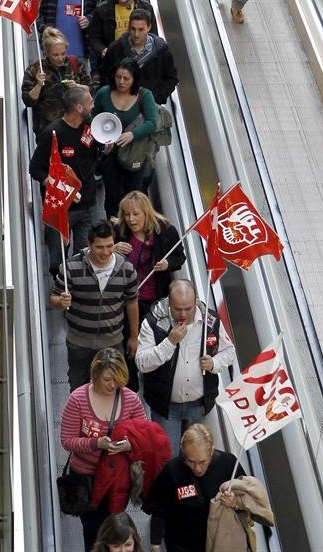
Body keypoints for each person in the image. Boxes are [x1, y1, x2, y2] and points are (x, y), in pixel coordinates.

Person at [135, 280, 235, 456]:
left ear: (195, 301)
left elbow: (229, 352)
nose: (183, 314)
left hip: (199, 405)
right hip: (166, 407)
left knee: (194, 456)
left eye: (188, 309)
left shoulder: (210, 321)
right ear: (168, 303)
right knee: (168, 457)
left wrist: (214, 364)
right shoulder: (153, 322)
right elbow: (142, 362)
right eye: (177, 309)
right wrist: (169, 342)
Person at [60, 349, 146, 552]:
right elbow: (67, 440)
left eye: (117, 379)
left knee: (115, 528)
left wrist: (128, 445)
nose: (112, 385)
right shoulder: (78, 399)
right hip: (86, 477)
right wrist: (96, 443)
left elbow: (144, 436)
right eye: (107, 379)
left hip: (118, 478)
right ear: (95, 374)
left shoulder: (131, 399)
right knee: (91, 530)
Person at [51, 224, 139, 389]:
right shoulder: (71, 267)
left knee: (114, 386)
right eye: (99, 247)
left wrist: (134, 337)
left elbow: (132, 302)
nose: (105, 252)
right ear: (89, 245)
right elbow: (54, 298)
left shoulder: (127, 269)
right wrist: (60, 302)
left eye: (109, 246)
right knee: (78, 386)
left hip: (113, 342)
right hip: (79, 343)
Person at [114, 190, 185, 390]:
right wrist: (113, 248)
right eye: (127, 214)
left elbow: (180, 257)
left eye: (136, 214)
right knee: (129, 342)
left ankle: (154, 382)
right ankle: (131, 386)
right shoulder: (118, 232)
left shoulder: (166, 230)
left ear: (146, 213)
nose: (131, 219)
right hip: (127, 300)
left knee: (155, 341)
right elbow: (97, 251)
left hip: (156, 300)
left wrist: (167, 264)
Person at [143, 425, 246, 552]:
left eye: (202, 462)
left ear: (211, 451)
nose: (197, 468)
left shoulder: (228, 464)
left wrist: (235, 503)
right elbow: (159, 510)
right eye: (191, 462)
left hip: (218, 540)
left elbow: (247, 500)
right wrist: (155, 544)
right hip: (180, 542)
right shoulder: (172, 470)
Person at [29, 85, 100, 268]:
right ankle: (61, 289)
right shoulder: (52, 133)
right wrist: (59, 187)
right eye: (90, 103)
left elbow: (94, 161)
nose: (93, 106)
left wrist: (105, 149)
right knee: (57, 261)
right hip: (62, 208)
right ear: (79, 108)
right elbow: (35, 168)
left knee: (84, 258)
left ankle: (78, 291)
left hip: (87, 204)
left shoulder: (91, 129)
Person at [94, 57, 158, 219]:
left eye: (126, 78)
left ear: (134, 78)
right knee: (112, 196)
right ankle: (114, 232)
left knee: (133, 195)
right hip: (111, 154)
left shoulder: (144, 95)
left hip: (135, 153)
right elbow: (93, 120)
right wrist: (101, 142)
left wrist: (132, 134)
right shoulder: (103, 93)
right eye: (118, 77)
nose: (121, 82)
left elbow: (152, 123)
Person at [21, 26, 91, 135]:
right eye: (55, 55)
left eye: (63, 53)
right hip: (47, 129)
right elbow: (28, 101)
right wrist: (39, 85)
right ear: (47, 53)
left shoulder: (75, 63)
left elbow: (91, 88)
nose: (60, 58)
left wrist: (77, 86)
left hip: (76, 127)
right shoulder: (35, 69)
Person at [103, 9, 178, 105]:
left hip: (150, 105)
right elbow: (105, 75)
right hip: (120, 105)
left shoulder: (161, 51)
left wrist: (156, 98)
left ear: (149, 27)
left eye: (141, 29)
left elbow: (171, 78)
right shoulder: (116, 48)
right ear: (129, 27)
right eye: (133, 29)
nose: (136, 34)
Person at [89, 0, 156, 67]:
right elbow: (93, 37)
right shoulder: (102, 10)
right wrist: (103, 50)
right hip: (113, 63)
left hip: (141, 62)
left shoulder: (146, 8)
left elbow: (154, 36)